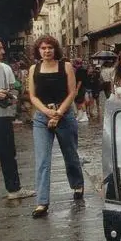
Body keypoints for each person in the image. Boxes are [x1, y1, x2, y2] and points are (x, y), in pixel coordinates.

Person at [28, 35, 85, 218]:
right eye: (43, 48)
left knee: (70, 155)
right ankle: (42, 202)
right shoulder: (33, 69)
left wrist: (59, 113)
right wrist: (47, 112)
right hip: (42, 117)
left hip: (65, 115)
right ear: (38, 50)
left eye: (50, 48)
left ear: (55, 49)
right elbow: (33, 96)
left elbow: (72, 92)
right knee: (42, 160)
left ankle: (77, 184)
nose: (46, 51)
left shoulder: (66, 66)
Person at [0, 37, 35, 205]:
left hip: (3, 117)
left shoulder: (5, 68)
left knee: (9, 154)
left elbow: (14, 88)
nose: (3, 51)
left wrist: (10, 95)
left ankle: (14, 189)